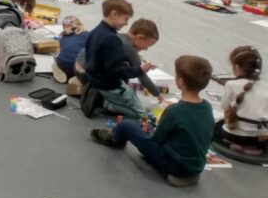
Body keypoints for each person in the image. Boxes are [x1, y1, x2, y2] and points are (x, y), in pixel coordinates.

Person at [91, 56, 214, 185]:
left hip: (172, 164)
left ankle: (115, 138)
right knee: (147, 123)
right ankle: (186, 174)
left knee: (127, 125)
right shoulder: (207, 107)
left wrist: (150, 131)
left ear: (180, 81)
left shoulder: (174, 111)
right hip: (196, 167)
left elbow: (158, 140)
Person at [81, 0, 145, 118]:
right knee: (141, 114)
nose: (126, 23)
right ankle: (109, 105)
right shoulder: (112, 39)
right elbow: (116, 71)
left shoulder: (95, 31)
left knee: (134, 103)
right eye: (126, 19)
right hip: (110, 86)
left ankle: (107, 103)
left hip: (96, 81)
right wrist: (140, 70)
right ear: (114, 14)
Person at [215, 46, 267, 154]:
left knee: (215, 127)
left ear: (237, 67)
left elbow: (225, 110)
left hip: (235, 136)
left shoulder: (231, 84)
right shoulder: (266, 87)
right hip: (259, 138)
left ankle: (231, 145)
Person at [52, 15, 89, 84]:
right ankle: (80, 78)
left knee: (59, 55)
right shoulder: (88, 35)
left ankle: (62, 70)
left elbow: (57, 41)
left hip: (62, 63)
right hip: (77, 67)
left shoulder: (63, 38)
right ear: (80, 24)